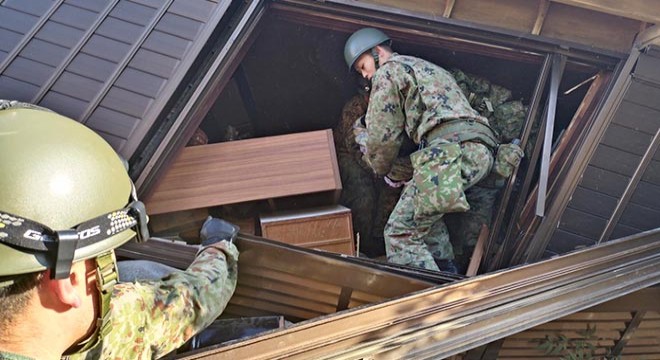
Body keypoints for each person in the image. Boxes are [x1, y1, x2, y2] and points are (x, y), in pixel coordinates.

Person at [0, 100, 240, 359]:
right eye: (105, 263)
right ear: (68, 281)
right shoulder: (105, 339)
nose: (111, 278)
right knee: (140, 272)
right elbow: (189, 300)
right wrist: (219, 246)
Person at [344, 28, 523, 273]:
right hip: (482, 153)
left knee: (400, 231)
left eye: (363, 66)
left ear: (377, 52)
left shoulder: (388, 73)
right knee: (427, 224)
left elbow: (382, 142)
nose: (365, 76)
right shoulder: (427, 68)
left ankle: (433, 301)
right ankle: (445, 275)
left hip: (452, 154)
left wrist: (367, 146)